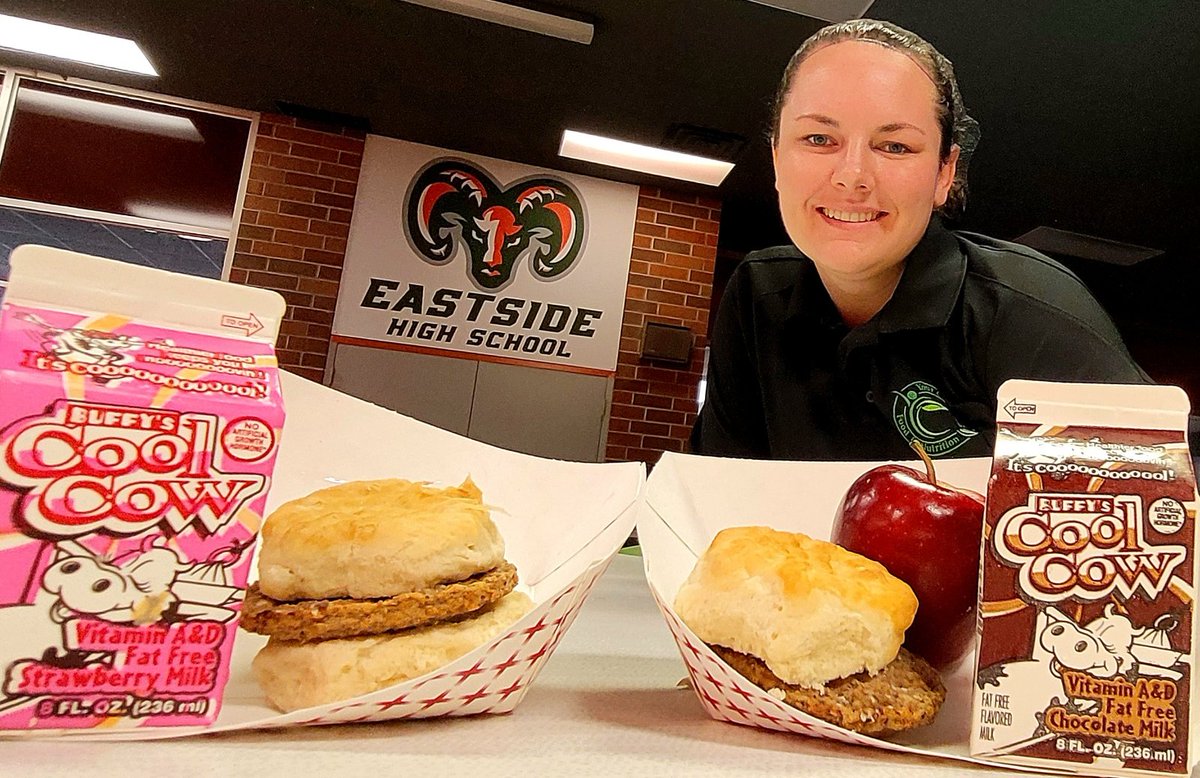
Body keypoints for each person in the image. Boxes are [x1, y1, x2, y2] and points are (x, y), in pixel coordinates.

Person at [691, 19, 1150, 461]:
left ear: (944, 173)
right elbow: (718, 499)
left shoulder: (1033, 315)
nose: (852, 177)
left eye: (895, 147)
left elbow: (1152, 514)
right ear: (776, 159)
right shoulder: (756, 295)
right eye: (818, 138)